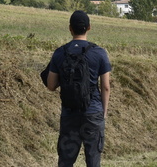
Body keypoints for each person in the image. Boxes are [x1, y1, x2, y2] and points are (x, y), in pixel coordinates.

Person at [47, 10, 111, 167]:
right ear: (89, 27)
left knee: (66, 162)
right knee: (93, 161)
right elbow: (106, 87)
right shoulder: (99, 53)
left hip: (69, 114)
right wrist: (103, 112)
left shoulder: (60, 53)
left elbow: (51, 86)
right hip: (93, 113)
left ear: (70, 28)